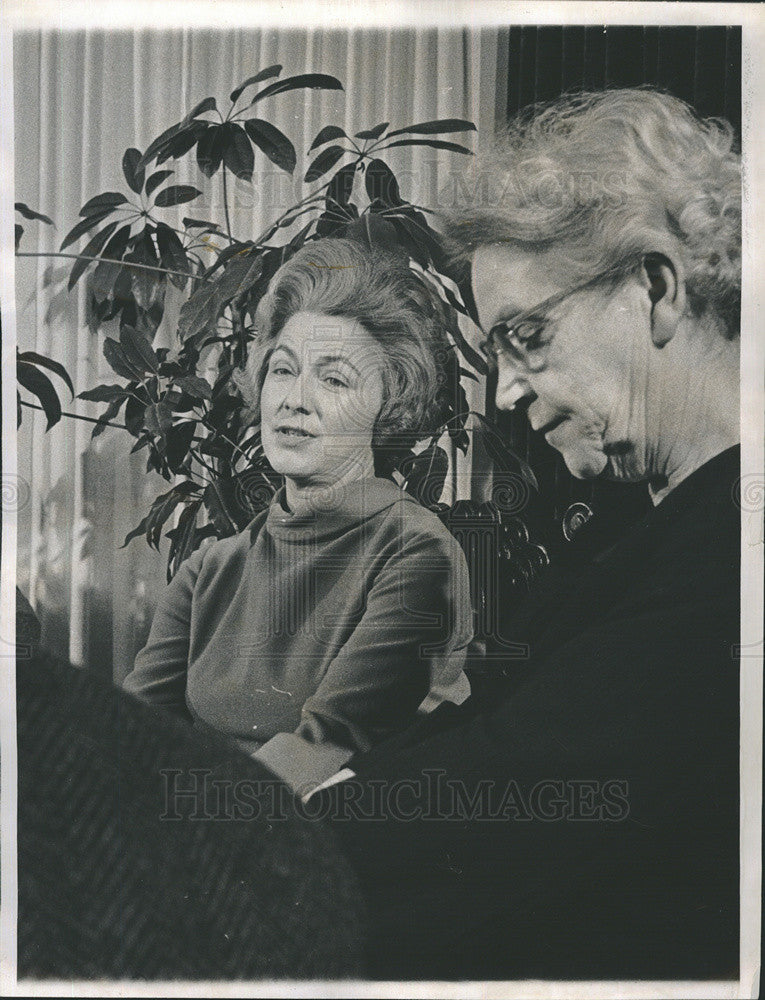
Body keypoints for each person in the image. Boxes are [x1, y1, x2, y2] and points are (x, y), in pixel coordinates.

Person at [315, 89, 742, 979]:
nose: (505, 393)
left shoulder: (735, 555)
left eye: (528, 337)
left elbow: (507, 798)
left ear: (654, 289)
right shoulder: (639, 518)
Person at [123, 238, 472, 792]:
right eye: (283, 371)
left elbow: (331, 743)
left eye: (333, 380)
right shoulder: (211, 569)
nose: (295, 400)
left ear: (390, 402)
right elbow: (131, 733)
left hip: (325, 849)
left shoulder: (417, 554)